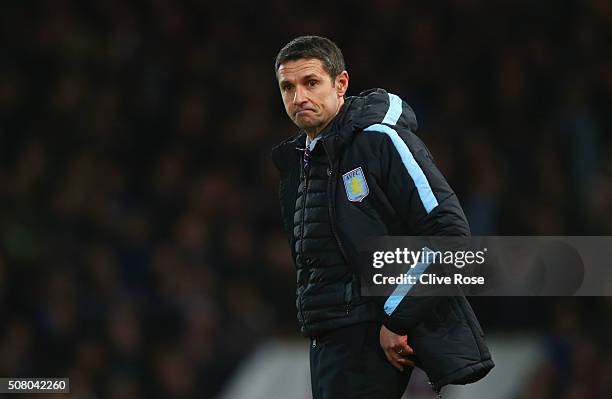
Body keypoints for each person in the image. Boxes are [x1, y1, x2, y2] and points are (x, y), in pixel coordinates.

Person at [271, 36, 493, 398]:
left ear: (340, 84)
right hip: (328, 334)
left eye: (311, 83)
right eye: (288, 87)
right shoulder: (305, 161)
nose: (299, 98)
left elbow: (451, 237)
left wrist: (396, 317)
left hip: (370, 332)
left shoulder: (379, 141)